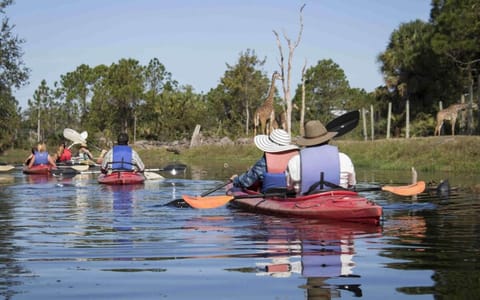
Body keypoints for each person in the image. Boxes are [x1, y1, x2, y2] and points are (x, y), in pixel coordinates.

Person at [287, 120, 356, 195]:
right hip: (340, 198)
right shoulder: (344, 158)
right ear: (328, 139)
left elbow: (290, 187)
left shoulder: (295, 160)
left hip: (305, 200)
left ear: (306, 142)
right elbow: (351, 184)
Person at [230, 129, 299, 192]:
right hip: (291, 193)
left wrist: (235, 180)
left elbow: (246, 181)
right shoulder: (296, 159)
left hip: (269, 194)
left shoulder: (263, 163)